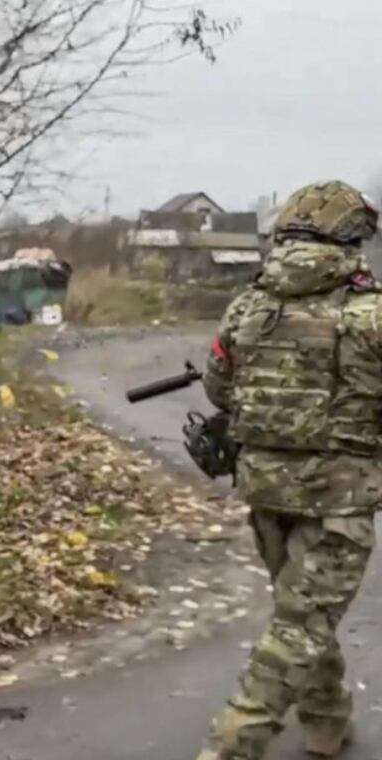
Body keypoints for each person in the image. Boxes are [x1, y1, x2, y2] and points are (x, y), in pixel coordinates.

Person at [195, 181, 382, 760]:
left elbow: (219, 388)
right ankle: (231, 746)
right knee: (301, 624)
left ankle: (326, 722)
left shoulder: (249, 305)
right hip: (340, 500)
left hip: (265, 491)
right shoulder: (373, 314)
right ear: (351, 240)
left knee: (302, 614)